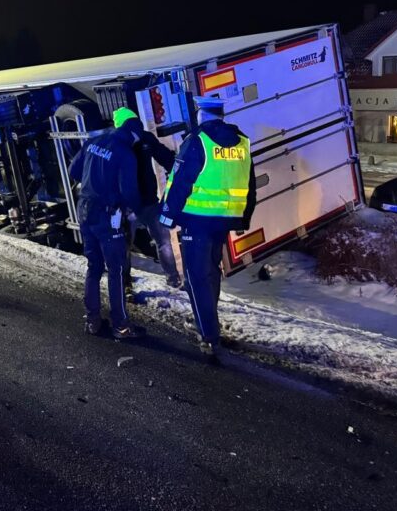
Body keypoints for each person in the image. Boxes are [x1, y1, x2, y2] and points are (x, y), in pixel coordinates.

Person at [159, 96, 257, 359]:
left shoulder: (197, 141)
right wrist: (244, 218)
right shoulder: (242, 142)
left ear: (201, 114)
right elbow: (250, 184)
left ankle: (208, 336)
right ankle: (209, 322)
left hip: (197, 221)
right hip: (223, 221)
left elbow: (180, 182)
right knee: (211, 273)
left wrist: (167, 214)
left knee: (196, 277)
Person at [68, 116, 146, 340]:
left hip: (84, 210)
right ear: (134, 136)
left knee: (93, 266)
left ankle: (92, 320)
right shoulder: (126, 153)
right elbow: (129, 191)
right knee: (116, 270)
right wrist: (135, 210)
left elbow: (74, 171)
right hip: (107, 215)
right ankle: (120, 325)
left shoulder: (94, 141)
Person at [112, 108, 182, 290]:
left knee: (124, 245)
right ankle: (173, 280)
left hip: (129, 205)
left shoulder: (117, 142)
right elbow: (168, 159)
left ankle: (125, 284)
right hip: (149, 201)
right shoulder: (145, 138)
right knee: (163, 243)